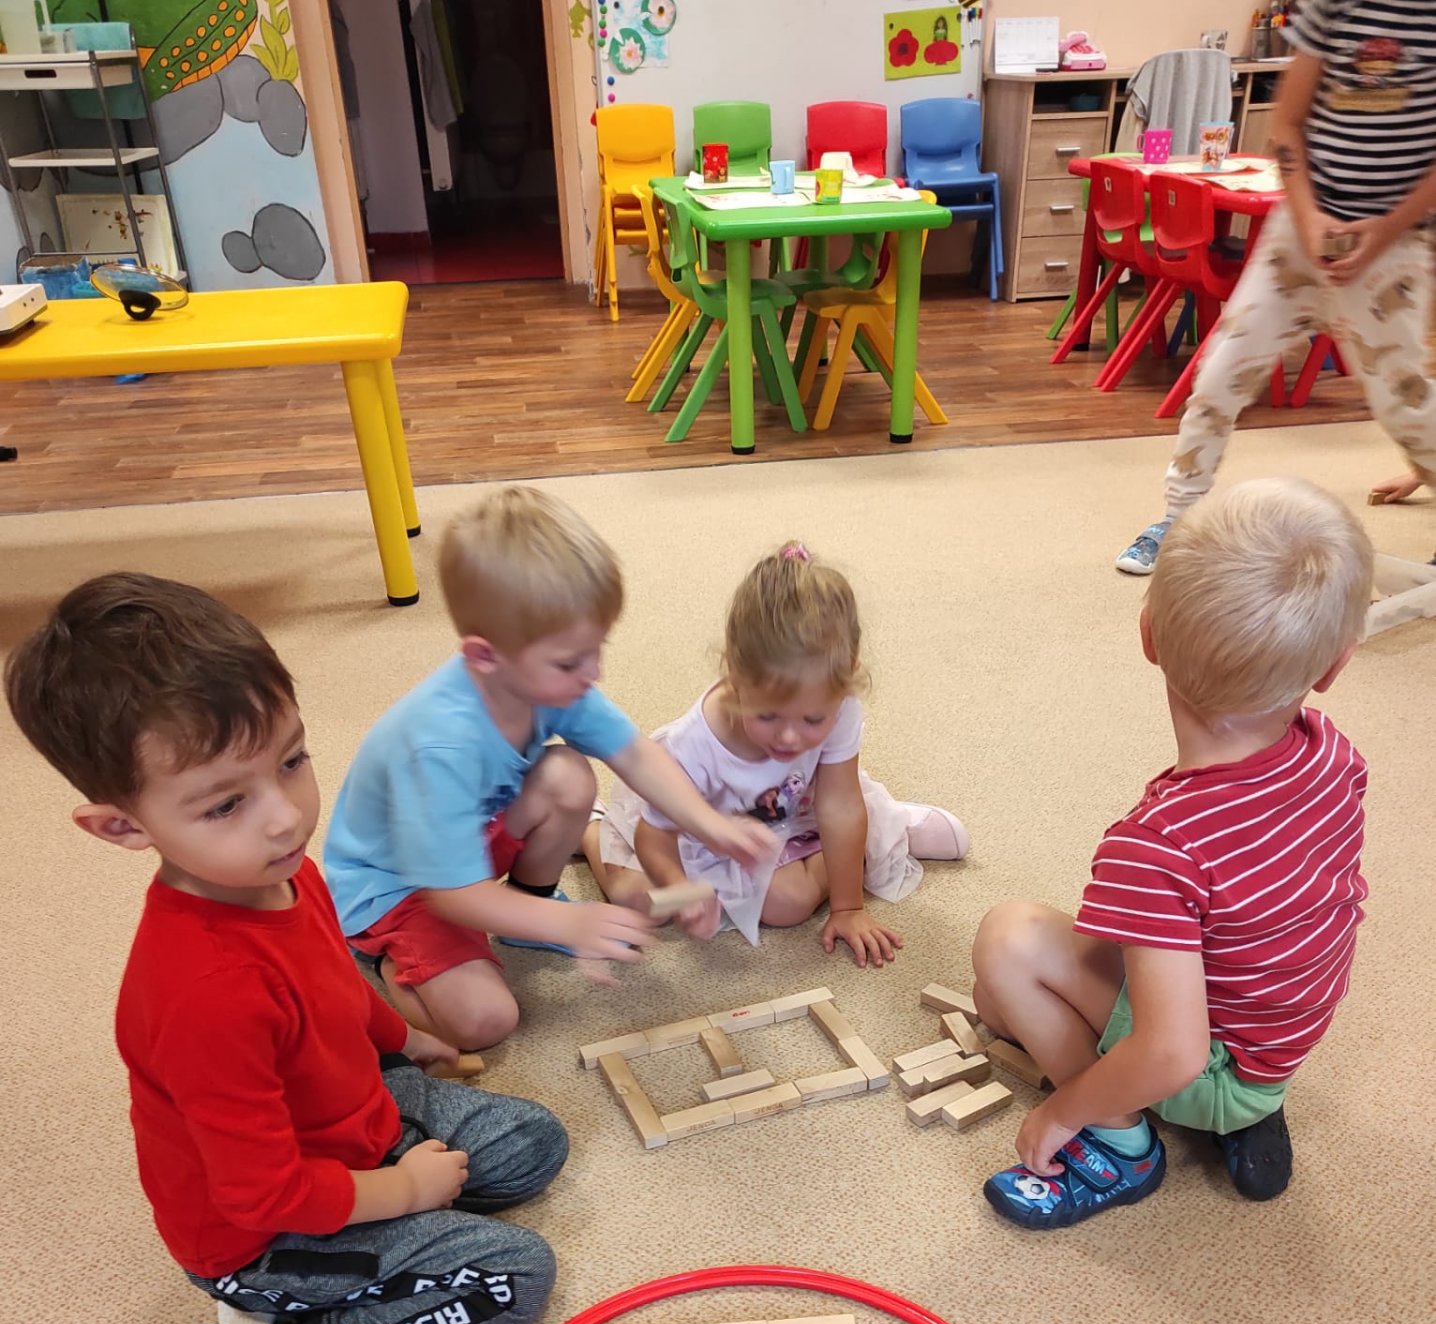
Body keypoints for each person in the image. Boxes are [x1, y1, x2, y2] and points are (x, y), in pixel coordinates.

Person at [4, 574, 569, 1324]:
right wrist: (406, 1193)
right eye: (226, 802)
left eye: (293, 761)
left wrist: (402, 1039)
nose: (283, 816)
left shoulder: (282, 870)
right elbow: (262, 1197)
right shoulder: (203, 994)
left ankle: (399, 1199)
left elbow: (335, 979)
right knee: (513, 1277)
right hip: (266, 1234)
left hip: (350, 1117)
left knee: (532, 1145)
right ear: (122, 826)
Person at [977, 478, 1370, 1228]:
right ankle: (1251, 1107)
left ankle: (1123, 1145)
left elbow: (1174, 1053)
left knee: (1007, 940)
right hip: (1276, 1038)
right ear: (1334, 665)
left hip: (1213, 1060)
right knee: (997, 1002)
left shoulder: (1161, 845)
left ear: (1147, 633)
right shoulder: (1333, 754)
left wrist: (1064, 1108)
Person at [323, 486, 777, 1045]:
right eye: (570, 661)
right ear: (484, 656)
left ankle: (528, 907)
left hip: (464, 844)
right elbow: (453, 893)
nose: (594, 672)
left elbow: (635, 753)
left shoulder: (549, 682)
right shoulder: (438, 747)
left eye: (597, 649)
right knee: (486, 1021)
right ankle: (394, 958)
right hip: (403, 886)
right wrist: (571, 923)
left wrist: (712, 826)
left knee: (568, 776)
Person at [1116, 0, 1436, 576]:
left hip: (1392, 246)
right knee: (1219, 377)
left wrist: (1382, 232)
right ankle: (1178, 519)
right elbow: (1287, 125)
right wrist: (1310, 220)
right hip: (1300, 230)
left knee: (1406, 406)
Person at [582, 541, 969, 965]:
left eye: (812, 720)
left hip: (789, 811)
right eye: (768, 716)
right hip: (690, 832)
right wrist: (680, 892)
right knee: (638, 903)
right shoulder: (692, 745)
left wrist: (848, 908)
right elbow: (655, 837)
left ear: (848, 676)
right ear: (734, 674)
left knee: (790, 904)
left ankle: (886, 828)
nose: (789, 738)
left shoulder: (836, 700)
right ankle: (591, 827)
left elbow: (839, 803)